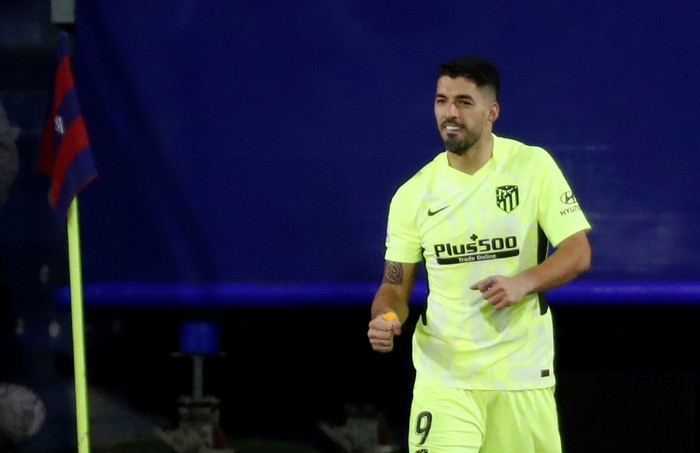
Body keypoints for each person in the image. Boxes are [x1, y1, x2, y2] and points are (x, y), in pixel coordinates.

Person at [367, 55, 591, 453]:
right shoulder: (412, 195)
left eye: (463, 102)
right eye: (441, 100)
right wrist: (385, 318)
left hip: (521, 377)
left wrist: (522, 283)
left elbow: (577, 253)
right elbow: (394, 287)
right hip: (445, 380)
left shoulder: (532, 166)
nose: (449, 113)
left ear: (492, 112)